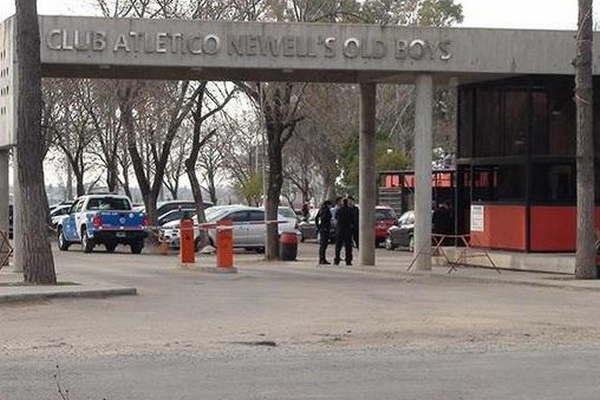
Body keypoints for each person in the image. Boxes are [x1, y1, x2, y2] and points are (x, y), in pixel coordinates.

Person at [334, 198, 354, 266]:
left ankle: (337, 260)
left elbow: (336, 218)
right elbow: (353, 219)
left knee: (338, 246)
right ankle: (348, 260)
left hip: (340, 229)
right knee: (348, 246)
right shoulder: (350, 210)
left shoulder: (339, 210)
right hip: (348, 230)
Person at [315, 200, 333, 265]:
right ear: (328, 205)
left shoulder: (321, 209)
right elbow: (323, 219)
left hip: (323, 229)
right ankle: (322, 259)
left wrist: (318, 226)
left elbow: (316, 218)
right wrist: (323, 226)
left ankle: (322, 259)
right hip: (325, 229)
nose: (331, 206)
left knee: (323, 245)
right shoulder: (326, 210)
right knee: (323, 245)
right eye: (330, 205)